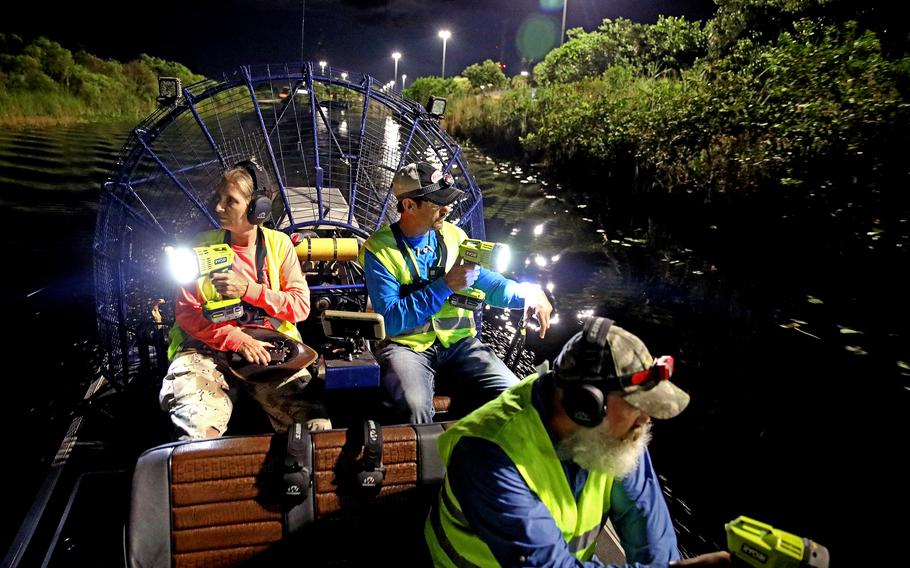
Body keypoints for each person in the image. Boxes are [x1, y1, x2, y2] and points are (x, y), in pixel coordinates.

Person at [425, 316, 732, 567]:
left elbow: (649, 529)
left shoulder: (619, 435)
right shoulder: (489, 456)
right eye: (637, 404)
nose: (646, 419)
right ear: (586, 405)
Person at [360, 162, 553, 424]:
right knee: (414, 407)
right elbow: (392, 322)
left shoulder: (454, 236)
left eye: (448, 200)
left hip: (459, 344)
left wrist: (526, 293)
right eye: (438, 203)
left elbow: (487, 283)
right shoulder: (378, 250)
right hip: (407, 347)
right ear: (409, 206)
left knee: (515, 396)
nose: (447, 208)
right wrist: (445, 286)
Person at [159, 161, 331, 440]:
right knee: (198, 432)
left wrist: (249, 289)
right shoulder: (200, 246)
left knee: (316, 426)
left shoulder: (280, 245)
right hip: (205, 350)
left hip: (270, 351)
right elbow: (188, 313)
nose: (218, 208)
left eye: (231, 201)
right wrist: (238, 340)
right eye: (219, 199)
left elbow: (299, 307)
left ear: (258, 209)